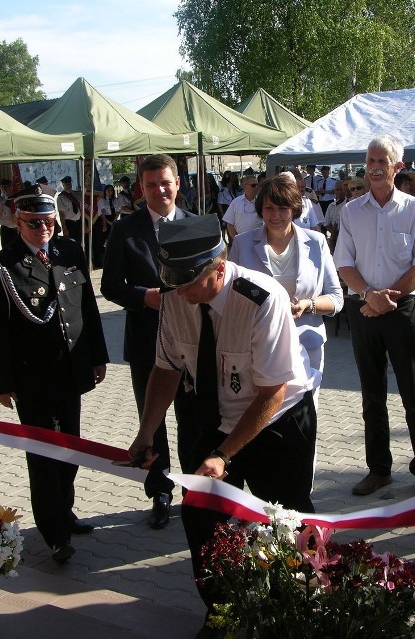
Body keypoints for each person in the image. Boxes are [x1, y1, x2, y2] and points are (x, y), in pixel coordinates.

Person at [127, 213, 319, 639]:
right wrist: (145, 433)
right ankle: (224, 614)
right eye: (172, 281)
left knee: (290, 520)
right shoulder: (177, 295)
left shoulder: (260, 298)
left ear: (217, 268)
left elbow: (271, 391)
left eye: (187, 282)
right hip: (213, 417)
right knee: (201, 520)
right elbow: (166, 370)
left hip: (278, 421)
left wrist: (223, 455)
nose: (178, 292)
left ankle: (301, 609)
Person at [0, 186, 109, 564]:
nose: (44, 229)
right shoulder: (3, 266)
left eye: (50, 221)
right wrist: (1, 382)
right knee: (43, 457)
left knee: (69, 450)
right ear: (17, 222)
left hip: (70, 372)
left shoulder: (68, 252)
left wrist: (97, 356)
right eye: (35, 223)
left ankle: (64, 511)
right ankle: (55, 534)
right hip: (32, 380)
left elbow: (87, 306)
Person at [333, 135, 415, 496]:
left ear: (398, 167)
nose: (375, 166)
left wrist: (387, 297)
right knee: (371, 395)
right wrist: (368, 296)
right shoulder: (351, 211)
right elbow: (343, 262)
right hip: (363, 309)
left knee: (413, 393)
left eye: (383, 160)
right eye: (370, 160)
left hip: (401, 309)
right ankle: (379, 469)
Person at [101, 154, 197, 530]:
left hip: (192, 340)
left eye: (166, 182)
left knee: (193, 416)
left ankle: (196, 488)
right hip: (146, 339)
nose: (160, 190)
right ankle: (159, 491)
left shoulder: (196, 225)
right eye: (152, 184)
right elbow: (110, 286)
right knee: (152, 419)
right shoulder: (126, 229)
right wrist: (144, 296)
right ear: (141, 188)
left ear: (178, 183)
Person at [229, 174, 343, 380]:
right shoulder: (241, 244)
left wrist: (308, 304)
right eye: (269, 208)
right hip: (259, 346)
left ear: (294, 209)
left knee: (306, 410)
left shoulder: (317, 242)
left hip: (308, 344)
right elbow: (231, 298)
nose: (275, 215)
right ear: (260, 209)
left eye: (283, 208)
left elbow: (336, 298)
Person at [223, 175, 261, 241]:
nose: (256, 187)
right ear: (245, 186)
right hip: (241, 239)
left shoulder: (262, 202)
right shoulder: (235, 202)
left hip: (259, 240)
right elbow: (229, 223)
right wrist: (236, 239)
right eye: (254, 185)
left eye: (257, 185)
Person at [93, 184, 120, 266]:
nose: (110, 192)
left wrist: (114, 221)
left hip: (114, 220)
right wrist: (106, 223)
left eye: (111, 190)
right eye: (108, 190)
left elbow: (118, 211)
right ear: (105, 191)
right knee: (104, 241)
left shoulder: (115, 200)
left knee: (113, 240)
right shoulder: (102, 200)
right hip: (105, 220)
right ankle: (104, 259)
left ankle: (114, 258)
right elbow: (102, 213)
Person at [57, 176, 83, 245]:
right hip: (69, 223)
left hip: (78, 221)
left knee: (79, 242)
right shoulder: (61, 197)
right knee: (71, 243)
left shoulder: (76, 194)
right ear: (63, 185)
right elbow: (61, 213)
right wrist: (64, 227)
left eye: (70, 183)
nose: (69, 185)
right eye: (67, 184)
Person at [0, 179, 18, 248]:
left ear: (10, 187)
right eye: (2, 187)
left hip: (17, 228)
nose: (4, 189)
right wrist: (1, 205)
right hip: (6, 230)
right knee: (6, 250)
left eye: (5, 187)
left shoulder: (16, 199)